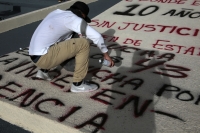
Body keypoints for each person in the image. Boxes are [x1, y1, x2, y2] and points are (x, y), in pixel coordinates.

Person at [29, 1, 114, 93]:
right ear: (83, 15)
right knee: (83, 43)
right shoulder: (73, 19)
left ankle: (43, 72)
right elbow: (97, 36)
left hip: (34, 55)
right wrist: (106, 55)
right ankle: (78, 84)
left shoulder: (56, 13)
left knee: (69, 37)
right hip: (45, 58)